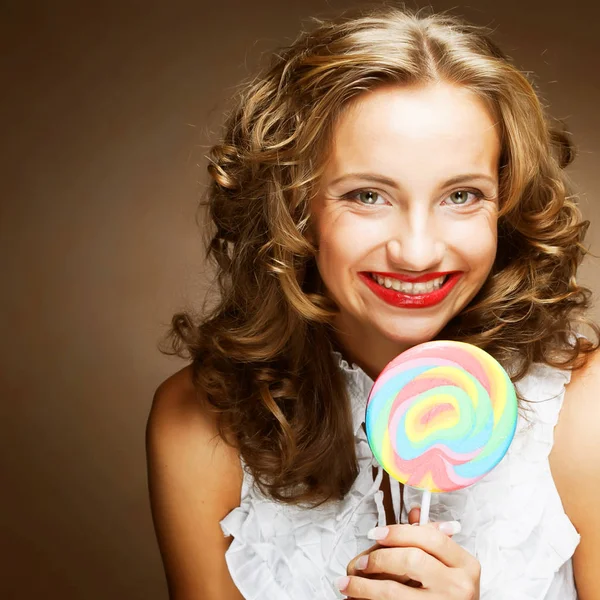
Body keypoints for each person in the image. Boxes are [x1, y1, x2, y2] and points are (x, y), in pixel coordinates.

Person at [145, 6, 600, 600]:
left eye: (461, 195)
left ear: (506, 203)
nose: (416, 252)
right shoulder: (196, 421)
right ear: (293, 207)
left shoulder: (583, 407)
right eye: (367, 195)